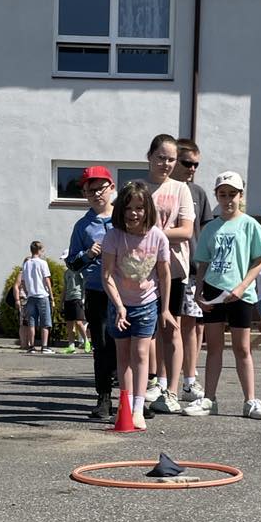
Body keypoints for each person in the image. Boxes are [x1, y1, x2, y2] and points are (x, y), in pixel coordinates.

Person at [185, 172, 261, 419]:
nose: (227, 199)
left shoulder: (250, 225)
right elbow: (202, 264)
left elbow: (258, 261)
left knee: (242, 348)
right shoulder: (210, 227)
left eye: (232, 193)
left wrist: (242, 287)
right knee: (213, 347)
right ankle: (209, 399)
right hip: (213, 291)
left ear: (240, 195)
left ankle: (250, 401)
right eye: (222, 194)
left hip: (240, 294)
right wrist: (199, 293)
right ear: (217, 196)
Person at [101, 182, 172, 432]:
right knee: (123, 356)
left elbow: (164, 275)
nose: (134, 213)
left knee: (141, 354)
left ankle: (139, 408)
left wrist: (164, 308)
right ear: (121, 209)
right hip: (120, 304)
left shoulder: (158, 237)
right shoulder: (113, 236)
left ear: (147, 210)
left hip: (147, 304)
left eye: (140, 208)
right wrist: (119, 306)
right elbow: (107, 275)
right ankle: (126, 405)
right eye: (129, 208)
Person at [143, 134, 195, 416]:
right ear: (149, 156)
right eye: (161, 157)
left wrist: (152, 235)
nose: (165, 163)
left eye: (171, 159)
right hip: (141, 271)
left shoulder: (180, 189)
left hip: (174, 270)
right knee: (146, 331)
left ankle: (172, 391)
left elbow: (186, 230)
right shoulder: (137, 188)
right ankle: (150, 383)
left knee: (171, 328)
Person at [66, 168, 117, 420]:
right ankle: (104, 398)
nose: (96, 194)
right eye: (90, 190)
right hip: (97, 291)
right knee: (102, 345)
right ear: (84, 194)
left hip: (128, 291)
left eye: (101, 188)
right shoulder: (83, 226)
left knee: (130, 346)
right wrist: (88, 254)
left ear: (112, 187)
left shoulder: (125, 217)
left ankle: (135, 399)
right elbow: (72, 263)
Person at [171, 138, 212, 403]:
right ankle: (163, 380)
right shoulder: (165, 190)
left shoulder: (198, 193)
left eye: (196, 164)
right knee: (171, 325)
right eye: (187, 163)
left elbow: (207, 231)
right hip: (169, 268)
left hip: (194, 270)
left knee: (193, 327)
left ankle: (189, 379)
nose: (192, 168)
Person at [18, 241, 54, 355]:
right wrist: (52, 295)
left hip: (31, 296)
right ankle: (44, 346)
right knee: (45, 322)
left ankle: (31, 346)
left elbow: (22, 281)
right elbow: (47, 280)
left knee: (31, 322)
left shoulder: (26, 263)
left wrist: (28, 291)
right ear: (39, 250)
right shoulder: (43, 263)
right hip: (42, 295)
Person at [58, 263, 90, 355]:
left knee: (79, 322)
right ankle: (71, 345)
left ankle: (86, 341)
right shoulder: (66, 272)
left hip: (77, 298)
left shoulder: (79, 271)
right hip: (68, 299)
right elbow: (65, 287)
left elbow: (84, 284)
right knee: (69, 324)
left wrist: (83, 298)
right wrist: (61, 302)